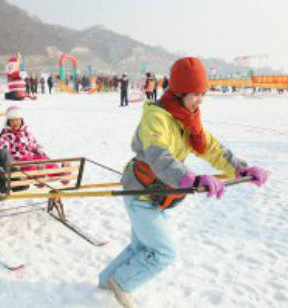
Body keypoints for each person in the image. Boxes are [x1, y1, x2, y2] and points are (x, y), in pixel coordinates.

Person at [98, 57, 269, 308]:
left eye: (203, 94)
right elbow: (159, 157)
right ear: (178, 93)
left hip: (159, 192)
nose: (200, 100)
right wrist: (192, 178)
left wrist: (242, 169)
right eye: (195, 94)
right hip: (141, 191)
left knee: (141, 246)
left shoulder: (189, 121)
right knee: (164, 253)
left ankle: (105, 282)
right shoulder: (156, 118)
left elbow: (214, 149)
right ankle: (121, 285)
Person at [0, 106, 70, 186]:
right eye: (12, 121)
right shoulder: (5, 135)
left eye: (17, 120)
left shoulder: (26, 133)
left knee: (44, 159)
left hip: (30, 156)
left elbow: (33, 144)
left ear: (21, 121)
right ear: (8, 122)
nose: (15, 122)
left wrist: (38, 149)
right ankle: (38, 178)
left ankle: (61, 174)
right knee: (29, 164)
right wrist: (13, 158)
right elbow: (4, 150)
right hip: (18, 160)